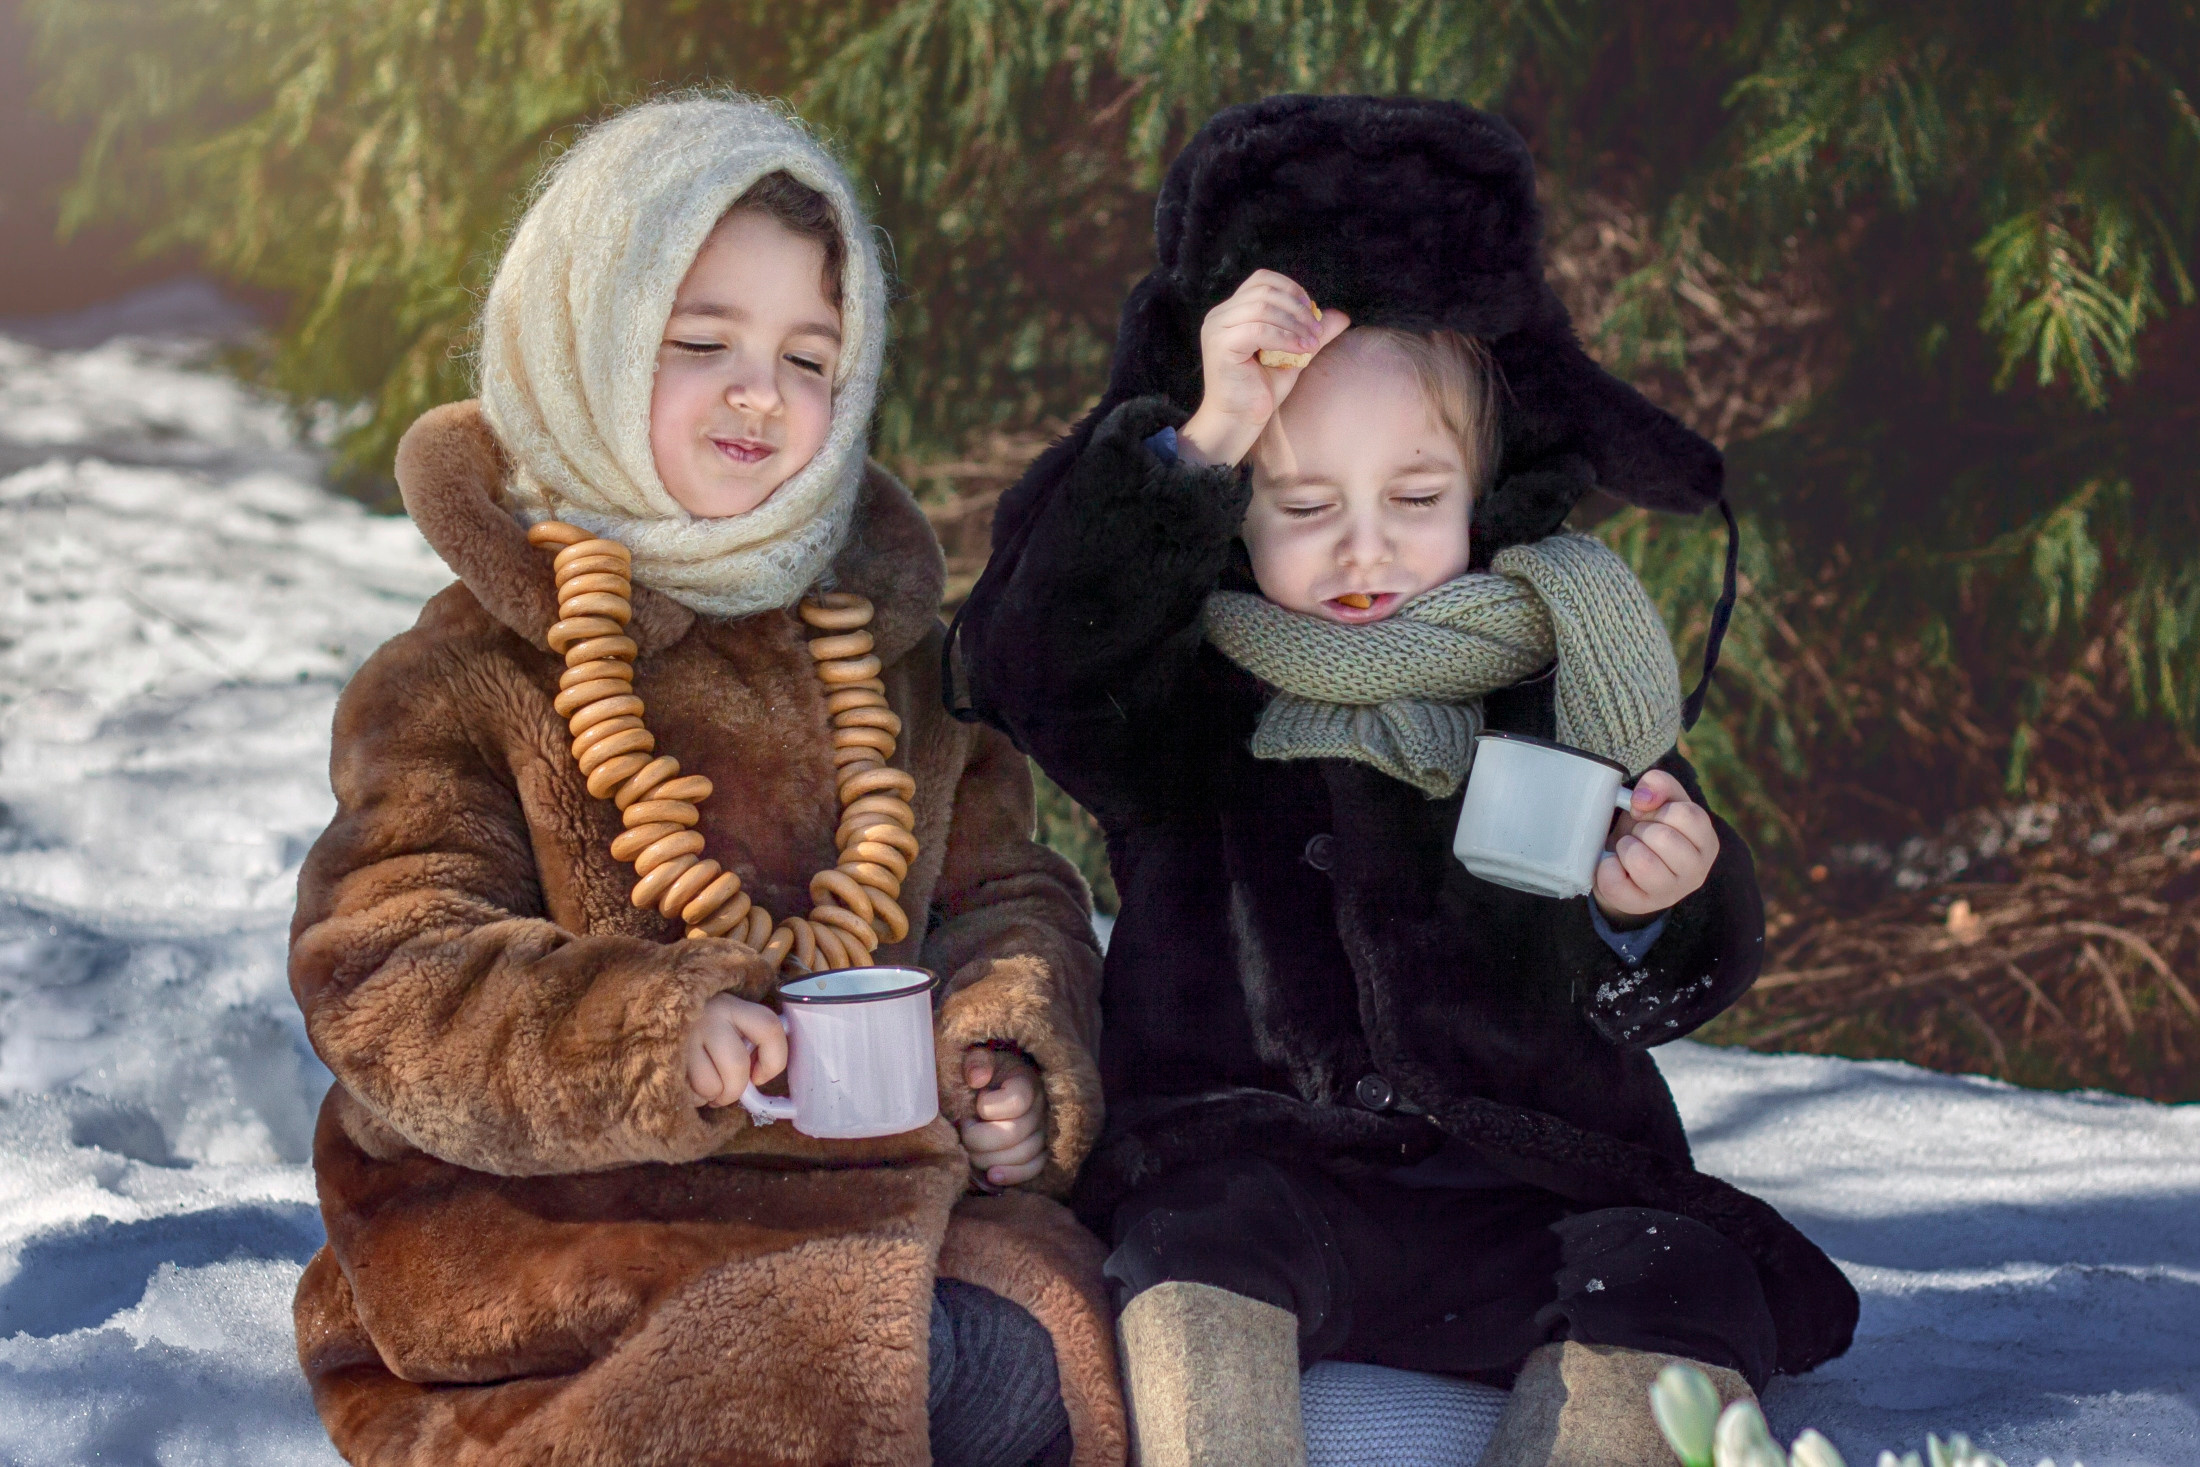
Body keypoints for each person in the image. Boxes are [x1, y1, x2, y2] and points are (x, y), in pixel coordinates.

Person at [947, 94, 1858, 1467]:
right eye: (1307, 506)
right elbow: (1029, 665)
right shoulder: (1176, 693)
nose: (1363, 549)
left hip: (1531, 1180)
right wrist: (1198, 439)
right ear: (1239, 510)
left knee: (1680, 1268)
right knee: (1186, 1243)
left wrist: (1649, 908)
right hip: (1263, 1172)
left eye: (1416, 501)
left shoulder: (1557, 676)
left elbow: (1668, 969)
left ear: (1484, 492)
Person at [288, 93, 1124, 1467]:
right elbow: (385, 975)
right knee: (860, 1372)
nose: (762, 393)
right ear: (585, 341)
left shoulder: (894, 659)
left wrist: (1003, 1048)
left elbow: (1009, 894)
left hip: (885, 1208)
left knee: (1096, 1335)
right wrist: (646, 1034)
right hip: (567, 1235)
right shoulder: (464, 674)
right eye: (700, 343)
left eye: (810, 358)